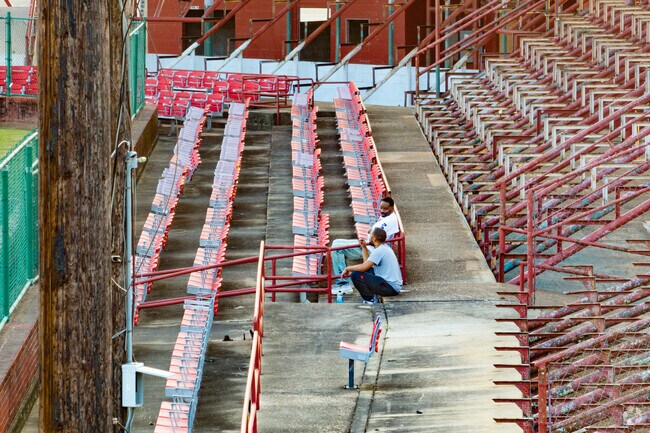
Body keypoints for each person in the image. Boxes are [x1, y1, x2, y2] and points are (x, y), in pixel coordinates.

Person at [331, 197, 399, 294]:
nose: (382, 211)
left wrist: (371, 231)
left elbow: (376, 234)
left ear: (392, 208)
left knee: (336, 249)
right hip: (370, 243)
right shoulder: (387, 216)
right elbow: (373, 232)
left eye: (385, 208)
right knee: (336, 242)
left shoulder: (390, 220)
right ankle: (343, 281)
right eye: (381, 208)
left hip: (372, 247)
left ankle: (343, 283)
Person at [340, 228, 402, 305]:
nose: (369, 238)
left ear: (374, 239)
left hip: (390, 288)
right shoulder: (384, 247)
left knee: (355, 275)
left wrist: (347, 268)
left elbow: (363, 267)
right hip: (391, 285)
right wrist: (364, 247)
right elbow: (366, 264)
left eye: (370, 236)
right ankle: (372, 297)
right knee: (364, 271)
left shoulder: (380, 251)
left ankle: (370, 299)